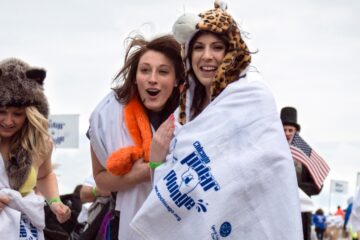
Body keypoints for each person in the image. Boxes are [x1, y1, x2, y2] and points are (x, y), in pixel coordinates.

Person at [130, 2, 302, 239]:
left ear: (232, 53)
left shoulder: (253, 99)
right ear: (188, 55)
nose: (207, 56)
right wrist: (157, 161)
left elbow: (268, 172)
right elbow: (174, 181)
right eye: (198, 47)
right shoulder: (185, 115)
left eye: (217, 47)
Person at [88, 34, 185, 239]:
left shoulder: (193, 116)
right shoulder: (108, 115)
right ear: (134, 77)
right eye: (145, 70)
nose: (152, 78)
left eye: (163, 72)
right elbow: (101, 181)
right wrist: (142, 173)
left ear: (176, 79)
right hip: (124, 224)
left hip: (181, 223)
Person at [0, 58, 71, 239]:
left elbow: (45, 175)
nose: (8, 121)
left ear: (31, 113)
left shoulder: (40, 143)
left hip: (27, 230)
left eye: (17, 114)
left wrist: (55, 202)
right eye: (1, 111)